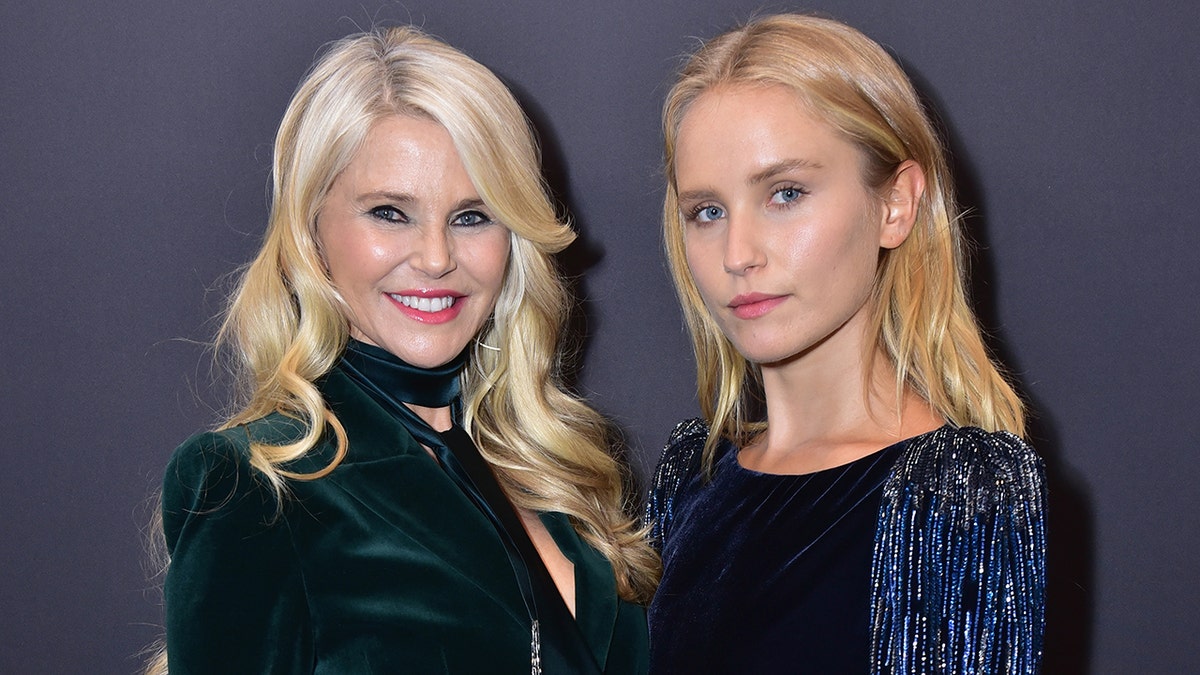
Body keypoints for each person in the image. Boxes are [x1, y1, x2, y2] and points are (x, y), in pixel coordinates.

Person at [148, 26, 657, 674]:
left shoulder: (565, 479)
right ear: (312, 231)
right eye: (390, 212)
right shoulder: (254, 485)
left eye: (473, 215)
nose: (438, 257)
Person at [645, 14, 1046, 674]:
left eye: (786, 193)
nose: (738, 254)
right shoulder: (694, 476)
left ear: (895, 204)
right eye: (706, 211)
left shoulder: (956, 492)